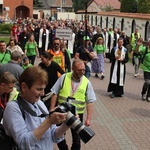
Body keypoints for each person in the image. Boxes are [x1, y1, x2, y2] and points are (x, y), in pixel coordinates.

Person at [3, 66, 70, 150]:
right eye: (39, 89)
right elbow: (23, 143)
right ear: (24, 87)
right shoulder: (13, 108)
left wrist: (67, 124)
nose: (42, 93)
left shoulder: (39, 103)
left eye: (43, 89)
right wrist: (48, 121)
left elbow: (53, 135)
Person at [50, 59, 96, 150]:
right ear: (73, 69)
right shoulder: (63, 77)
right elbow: (54, 94)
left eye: (83, 70)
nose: (82, 72)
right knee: (59, 136)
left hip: (77, 115)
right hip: (62, 112)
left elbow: (90, 102)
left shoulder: (87, 82)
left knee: (77, 138)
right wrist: (51, 110)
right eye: (79, 70)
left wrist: (88, 119)